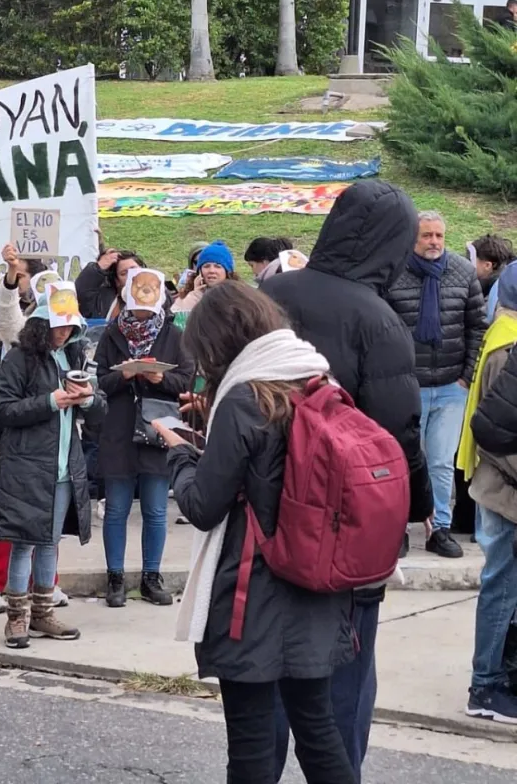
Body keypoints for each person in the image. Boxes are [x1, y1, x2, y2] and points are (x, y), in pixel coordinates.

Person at [261, 180, 434, 781]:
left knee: (270, 661)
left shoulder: (272, 291)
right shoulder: (379, 318)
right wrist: (417, 512)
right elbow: (398, 432)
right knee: (346, 667)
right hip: (345, 521)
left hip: (266, 507)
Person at [162, 282, 356, 784]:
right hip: (316, 581)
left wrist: (180, 452)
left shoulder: (244, 399)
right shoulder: (317, 381)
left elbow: (204, 505)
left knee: (250, 741)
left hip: (254, 593)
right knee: (318, 730)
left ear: (220, 343)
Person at [0, 291, 106, 649]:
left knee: (50, 543)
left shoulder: (73, 356)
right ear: (41, 324)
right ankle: (17, 617)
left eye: (71, 326)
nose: (65, 333)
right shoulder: (21, 359)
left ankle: (41, 612)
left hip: (64, 468)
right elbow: (1, 409)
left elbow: (98, 409)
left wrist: (87, 399)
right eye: (59, 325)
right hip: (27, 466)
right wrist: (49, 402)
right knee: (24, 544)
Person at [0, 246, 68, 616]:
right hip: (17, 439)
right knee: (9, 511)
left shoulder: (69, 344)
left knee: (50, 516)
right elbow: (5, 314)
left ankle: (44, 583)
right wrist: (10, 277)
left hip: (54, 442)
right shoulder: (23, 331)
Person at [386, 210, 487, 559]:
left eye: (438, 236)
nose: (433, 242)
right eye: (426, 236)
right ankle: (395, 528)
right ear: (412, 239)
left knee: (441, 462)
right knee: (398, 460)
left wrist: (466, 376)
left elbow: (477, 326)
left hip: (449, 386)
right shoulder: (393, 272)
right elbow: (379, 329)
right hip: (404, 387)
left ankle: (438, 527)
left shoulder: (462, 272)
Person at [94, 269, 193, 607]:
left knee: (154, 510)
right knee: (117, 508)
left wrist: (156, 379)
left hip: (158, 428)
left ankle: (152, 576)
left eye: (148, 313)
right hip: (119, 430)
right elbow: (100, 382)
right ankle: (115, 577)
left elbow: (184, 380)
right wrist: (123, 375)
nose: (141, 317)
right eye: (136, 311)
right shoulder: (111, 334)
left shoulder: (173, 335)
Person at [457, 263, 517, 724]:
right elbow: (496, 432)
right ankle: (486, 686)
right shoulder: (507, 345)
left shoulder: (503, 333)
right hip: (505, 492)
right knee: (502, 587)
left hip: (503, 487)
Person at [75, 247, 145, 320]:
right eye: (123, 273)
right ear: (117, 281)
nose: (131, 275)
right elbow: (82, 292)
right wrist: (98, 268)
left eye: (134, 269)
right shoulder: (102, 301)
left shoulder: (157, 294)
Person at [179, 241, 239, 313]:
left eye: (217, 266)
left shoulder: (238, 297)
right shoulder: (189, 294)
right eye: (206, 266)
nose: (211, 271)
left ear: (227, 271)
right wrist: (194, 297)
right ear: (199, 271)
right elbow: (180, 323)